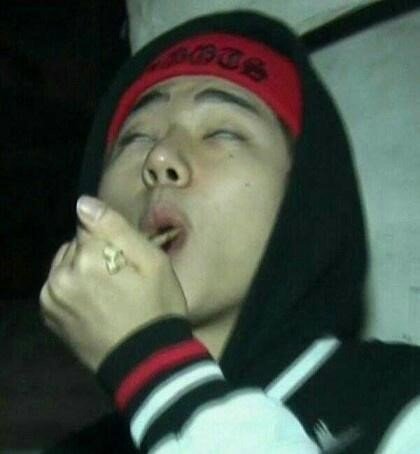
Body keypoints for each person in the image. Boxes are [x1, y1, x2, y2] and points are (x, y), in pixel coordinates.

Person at [40, 10, 420, 453]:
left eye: (222, 132)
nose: (160, 157)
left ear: (303, 196)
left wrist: (149, 364)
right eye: (135, 138)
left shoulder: (402, 401)